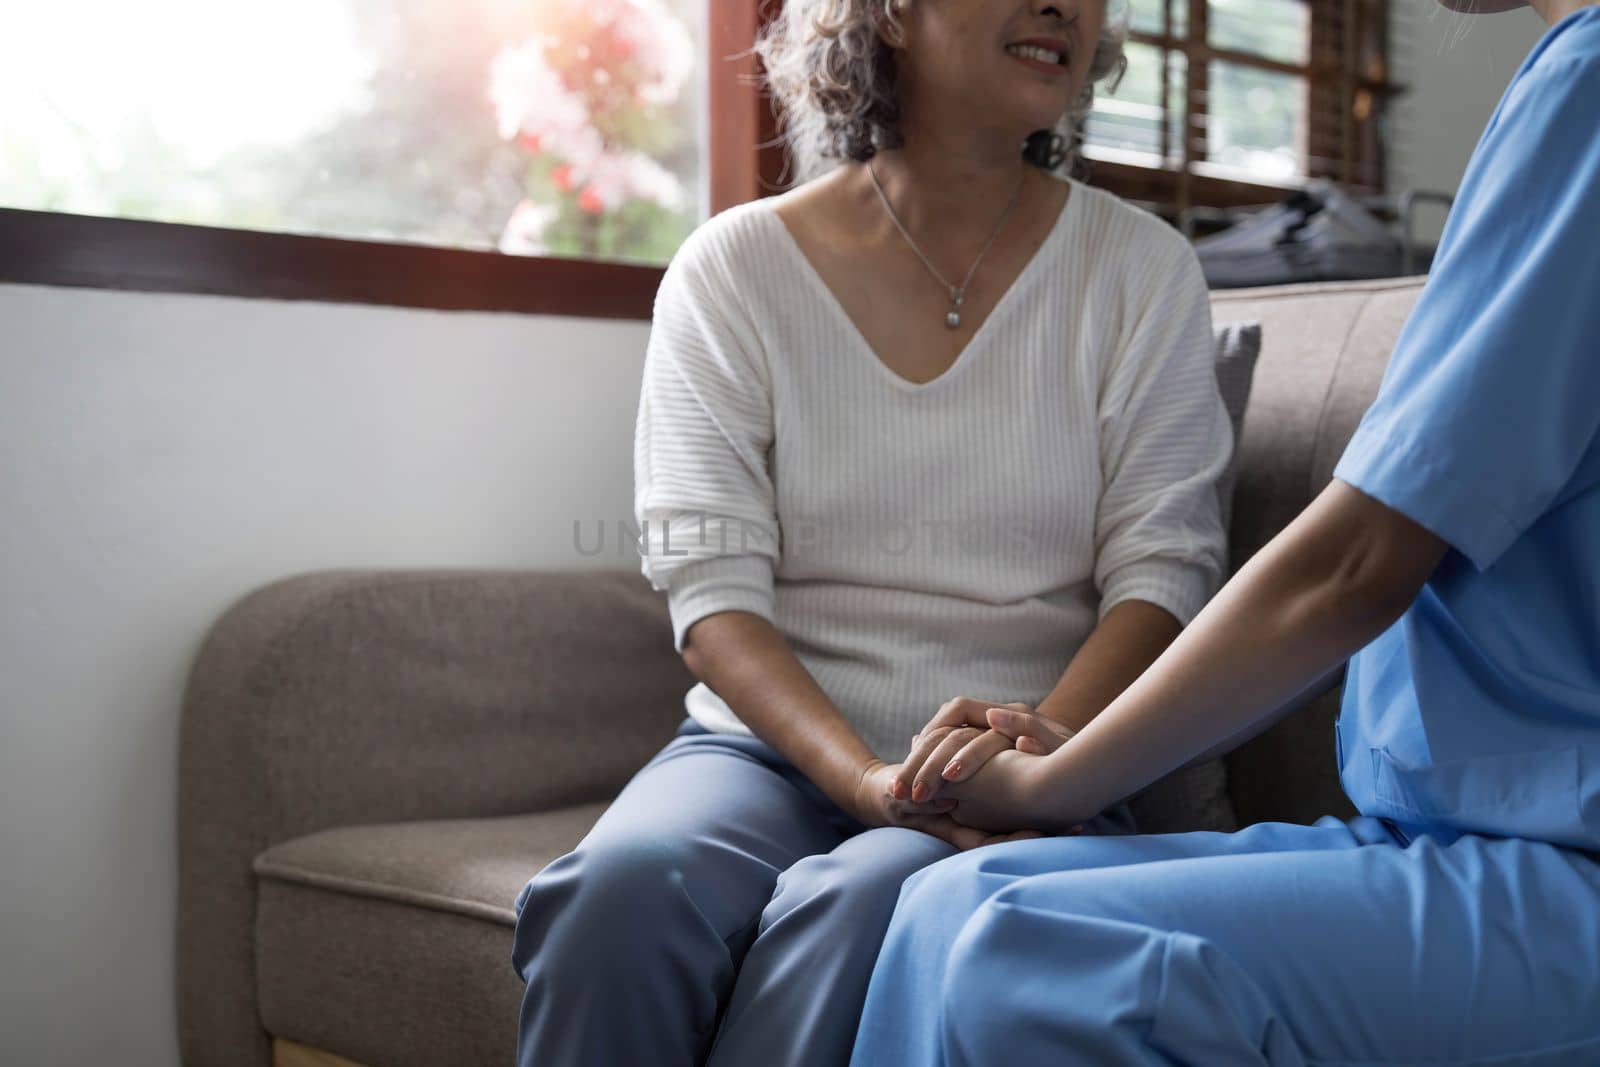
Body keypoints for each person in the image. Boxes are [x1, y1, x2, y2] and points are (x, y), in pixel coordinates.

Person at [847, 1, 1600, 1064]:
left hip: (1563, 865)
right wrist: (1078, 751)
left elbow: (1351, 566)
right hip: (1457, 835)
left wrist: (1060, 779)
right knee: (945, 904)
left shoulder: (1589, 87)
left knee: (1030, 949)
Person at [509, 1, 1240, 1064]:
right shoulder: (733, 270)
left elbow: (1166, 573)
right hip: (764, 758)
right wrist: (859, 778)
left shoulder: (1140, 270)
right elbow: (712, 600)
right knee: (618, 891)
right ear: (888, 13)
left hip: (1032, 763)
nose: (1064, 5)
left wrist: (1034, 766)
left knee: (864, 899)